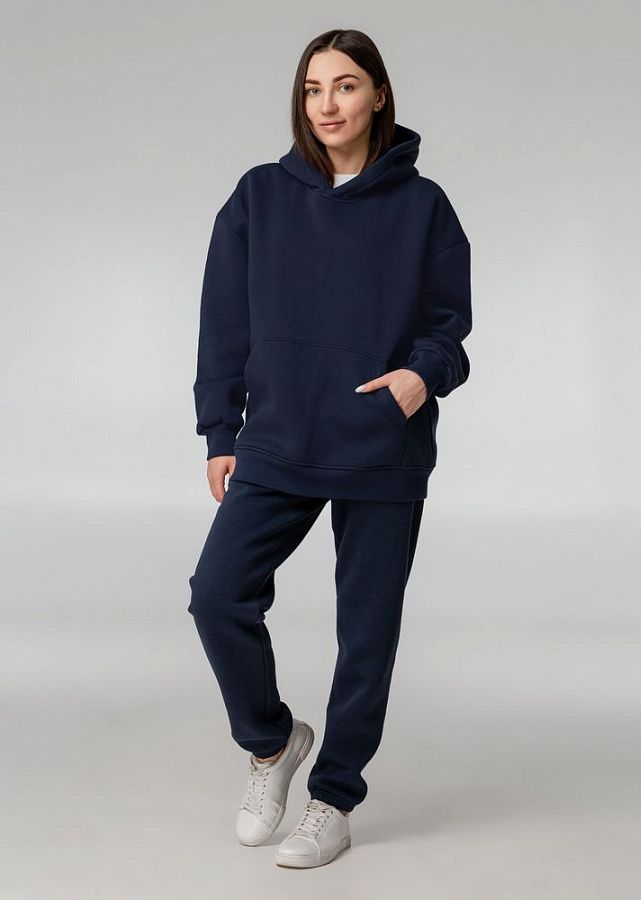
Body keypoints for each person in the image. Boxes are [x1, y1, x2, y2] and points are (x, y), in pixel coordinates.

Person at [187, 28, 472, 869]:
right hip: (278, 438)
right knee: (217, 596)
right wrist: (220, 429)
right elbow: (222, 324)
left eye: (345, 86)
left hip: (380, 444)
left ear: (378, 95)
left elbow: (449, 330)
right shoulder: (259, 196)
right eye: (313, 89)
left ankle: (334, 798)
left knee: (366, 635)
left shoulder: (423, 207)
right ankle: (273, 744)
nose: (327, 104)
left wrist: (421, 376)